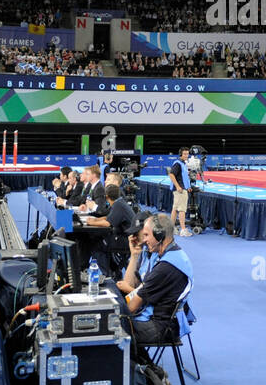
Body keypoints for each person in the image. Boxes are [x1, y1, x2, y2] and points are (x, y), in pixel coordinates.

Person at [117, 212, 193, 350]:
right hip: (163, 320)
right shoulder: (170, 255)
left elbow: (133, 306)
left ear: (159, 235)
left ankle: (139, 367)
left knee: (113, 327)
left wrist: (111, 315)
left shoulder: (166, 266)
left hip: (161, 327)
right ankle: (142, 364)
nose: (144, 240)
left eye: (146, 235)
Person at [80, 184, 137, 274]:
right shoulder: (119, 202)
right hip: (125, 236)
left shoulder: (118, 205)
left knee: (96, 245)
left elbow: (107, 223)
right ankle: (113, 270)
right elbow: (108, 217)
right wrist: (95, 220)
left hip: (127, 240)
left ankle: (106, 273)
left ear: (106, 197)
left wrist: (91, 222)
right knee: (96, 239)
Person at [168, 146, 192, 237]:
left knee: (175, 209)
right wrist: (178, 186)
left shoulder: (183, 164)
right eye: (185, 154)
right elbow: (171, 174)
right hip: (180, 190)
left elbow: (184, 178)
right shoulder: (178, 163)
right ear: (180, 154)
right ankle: (183, 230)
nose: (186, 155)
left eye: (187, 153)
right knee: (182, 210)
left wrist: (188, 187)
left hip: (182, 189)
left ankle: (171, 228)